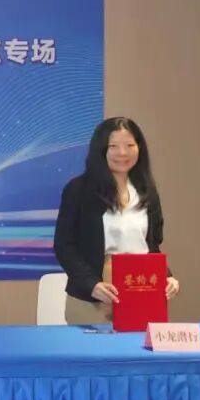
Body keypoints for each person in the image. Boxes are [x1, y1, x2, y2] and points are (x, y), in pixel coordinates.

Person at [53, 116, 180, 324]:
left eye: (130, 145)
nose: (122, 153)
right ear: (101, 149)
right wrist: (91, 284)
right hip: (95, 295)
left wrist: (166, 276)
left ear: (139, 148)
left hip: (141, 291)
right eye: (113, 146)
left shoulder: (147, 192)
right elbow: (64, 245)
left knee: (138, 345)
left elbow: (152, 247)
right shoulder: (78, 190)